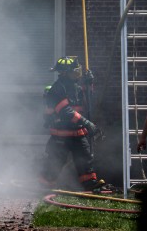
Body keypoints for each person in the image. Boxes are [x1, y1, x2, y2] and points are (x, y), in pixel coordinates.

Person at [40, 56, 106, 192]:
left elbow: (86, 102)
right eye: (74, 71)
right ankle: (44, 186)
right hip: (61, 135)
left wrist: (89, 85)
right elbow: (65, 111)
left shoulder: (75, 87)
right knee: (55, 162)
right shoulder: (56, 89)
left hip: (78, 132)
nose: (78, 73)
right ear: (65, 73)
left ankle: (90, 184)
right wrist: (86, 122)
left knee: (85, 159)